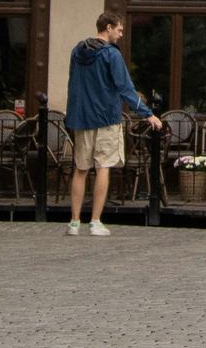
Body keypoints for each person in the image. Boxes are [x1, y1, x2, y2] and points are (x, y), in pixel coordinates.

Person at [64, 13, 158, 238]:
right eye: (119, 30)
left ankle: (74, 222)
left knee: (80, 169)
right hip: (106, 117)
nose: (121, 34)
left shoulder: (77, 52)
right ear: (108, 28)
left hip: (82, 117)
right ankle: (95, 221)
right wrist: (148, 114)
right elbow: (125, 88)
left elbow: (72, 84)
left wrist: (74, 115)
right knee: (103, 167)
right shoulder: (111, 55)